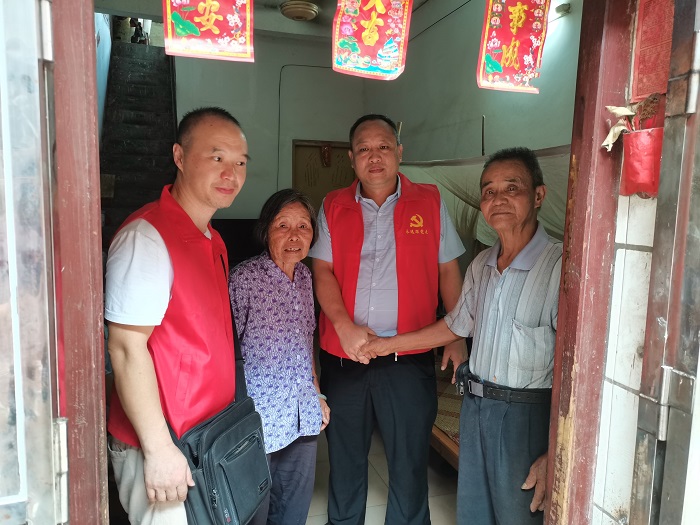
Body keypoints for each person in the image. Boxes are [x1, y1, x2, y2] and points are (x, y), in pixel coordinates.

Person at [363, 147, 562, 525]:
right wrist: (384, 346)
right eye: (488, 191)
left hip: (527, 418)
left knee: (519, 516)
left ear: (538, 195)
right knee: (474, 514)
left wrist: (556, 450)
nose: (498, 199)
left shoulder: (560, 267)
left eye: (512, 188)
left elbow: (580, 370)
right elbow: (455, 326)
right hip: (476, 408)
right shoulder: (482, 264)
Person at [309, 114, 466, 525]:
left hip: (408, 359)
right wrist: (343, 326)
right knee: (345, 463)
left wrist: (456, 334)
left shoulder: (430, 201)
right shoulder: (333, 205)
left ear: (399, 151)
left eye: (383, 146)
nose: (374, 156)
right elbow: (322, 270)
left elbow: (448, 269)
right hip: (345, 358)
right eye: (364, 149)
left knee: (410, 465)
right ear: (351, 158)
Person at [105, 107, 249, 525]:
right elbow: (126, 347)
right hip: (165, 443)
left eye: (240, 162)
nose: (231, 173)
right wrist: (158, 450)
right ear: (179, 156)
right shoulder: (147, 237)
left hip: (206, 436)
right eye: (217, 157)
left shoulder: (213, 239)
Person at [229, 189, 331, 525]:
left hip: (302, 413)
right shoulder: (244, 279)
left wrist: (317, 395)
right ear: (265, 230)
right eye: (283, 225)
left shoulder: (305, 277)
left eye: (303, 226)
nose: (294, 236)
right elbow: (225, 351)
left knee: (294, 509)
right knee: (254, 511)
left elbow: (306, 341)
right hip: (259, 419)